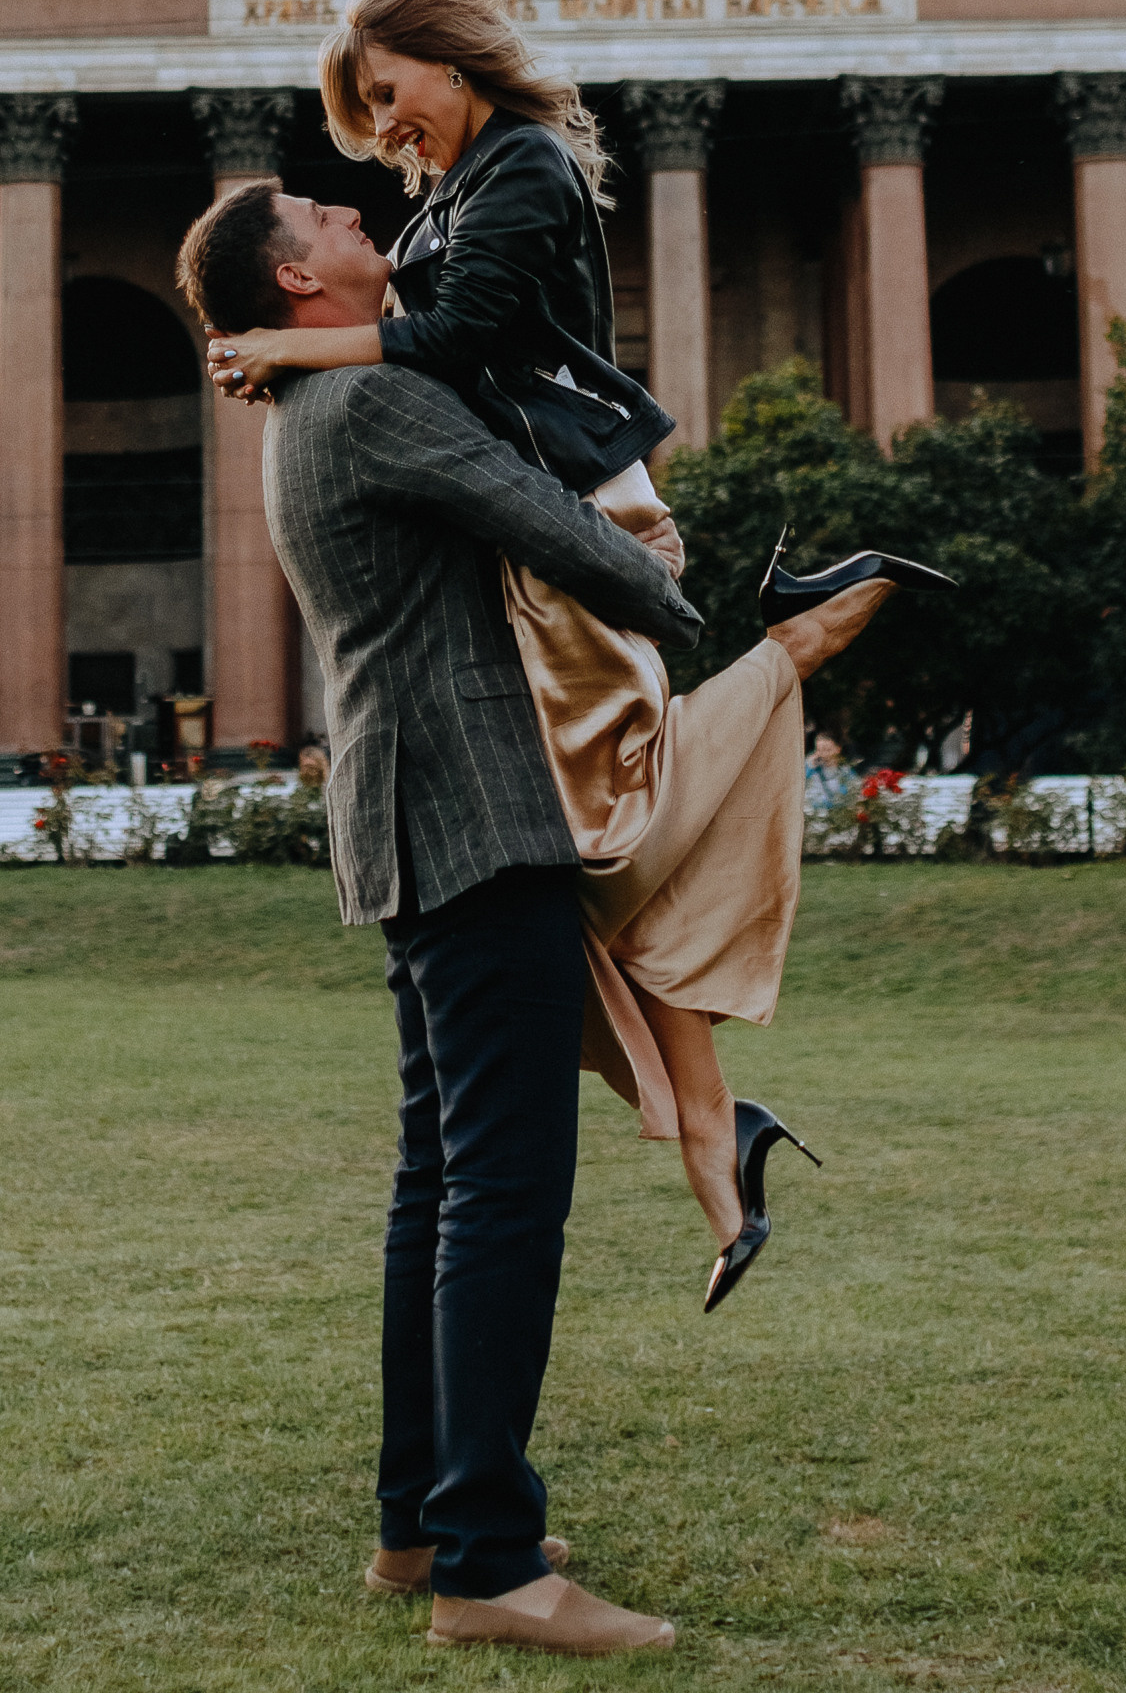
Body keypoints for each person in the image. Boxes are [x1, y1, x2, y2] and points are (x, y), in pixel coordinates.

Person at [177, 178, 891, 1658]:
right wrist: (668, 592)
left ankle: (417, 1523)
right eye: (320, 214)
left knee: (439, 1187)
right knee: (501, 1196)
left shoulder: (312, 409)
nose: (351, 209)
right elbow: (556, 530)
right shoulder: (372, 409)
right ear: (298, 286)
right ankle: (490, 1569)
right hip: (479, 815)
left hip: (413, 817)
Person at [204, 0, 913, 1268]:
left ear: (450, 62)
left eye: (386, 94)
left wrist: (295, 347)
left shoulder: (522, 167)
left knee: (587, 842)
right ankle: (713, 1132)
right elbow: (433, 358)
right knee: (576, 861)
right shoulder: (451, 193)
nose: (375, 131)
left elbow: (464, 341)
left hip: (591, 514)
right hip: (544, 519)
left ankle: (793, 643)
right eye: (360, 112)